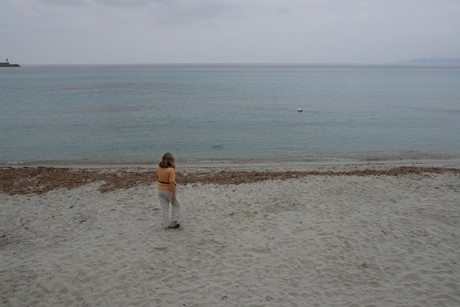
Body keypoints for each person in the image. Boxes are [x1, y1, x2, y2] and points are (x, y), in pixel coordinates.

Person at [155, 152, 181, 229]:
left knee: (164, 208)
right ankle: (173, 222)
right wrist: (174, 195)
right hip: (168, 190)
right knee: (177, 204)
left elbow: (157, 177)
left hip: (160, 189)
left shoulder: (157, 167)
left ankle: (166, 224)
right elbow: (172, 182)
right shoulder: (171, 170)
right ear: (172, 160)